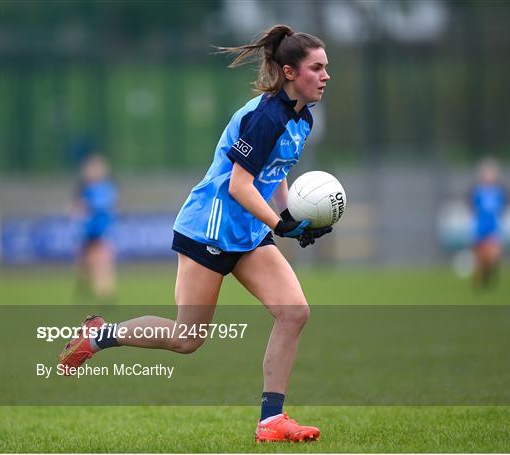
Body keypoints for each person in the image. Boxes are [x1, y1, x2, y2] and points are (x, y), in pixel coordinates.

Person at [59, 24, 332, 442]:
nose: (326, 75)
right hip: (208, 227)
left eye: (326, 67)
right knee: (187, 339)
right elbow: (240, 185)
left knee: (294, 312)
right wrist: (280, 224)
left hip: (246, 232)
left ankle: (271, 421)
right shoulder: (266, 117)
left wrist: (290, 213)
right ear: (291, 72)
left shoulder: (302, 118)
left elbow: (275, 172)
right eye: (317, 67)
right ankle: (99, 335)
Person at [74, 153, 118, 302]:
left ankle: (105, 294)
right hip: (88, 232)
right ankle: (87, 287)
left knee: (104, 262)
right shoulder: (85, 189)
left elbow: (100, 208)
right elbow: (80, 210)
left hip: (101, 232)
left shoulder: (104, 189)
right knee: (85, 264)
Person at [468, 158, 509, 288]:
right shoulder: (477, 191)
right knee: (480, 255)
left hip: (493, 225)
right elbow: (472, 207)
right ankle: (480, 277)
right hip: (480, 225)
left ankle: (489, 274)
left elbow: (504, 207)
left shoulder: (499, 192)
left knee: (494, 254)